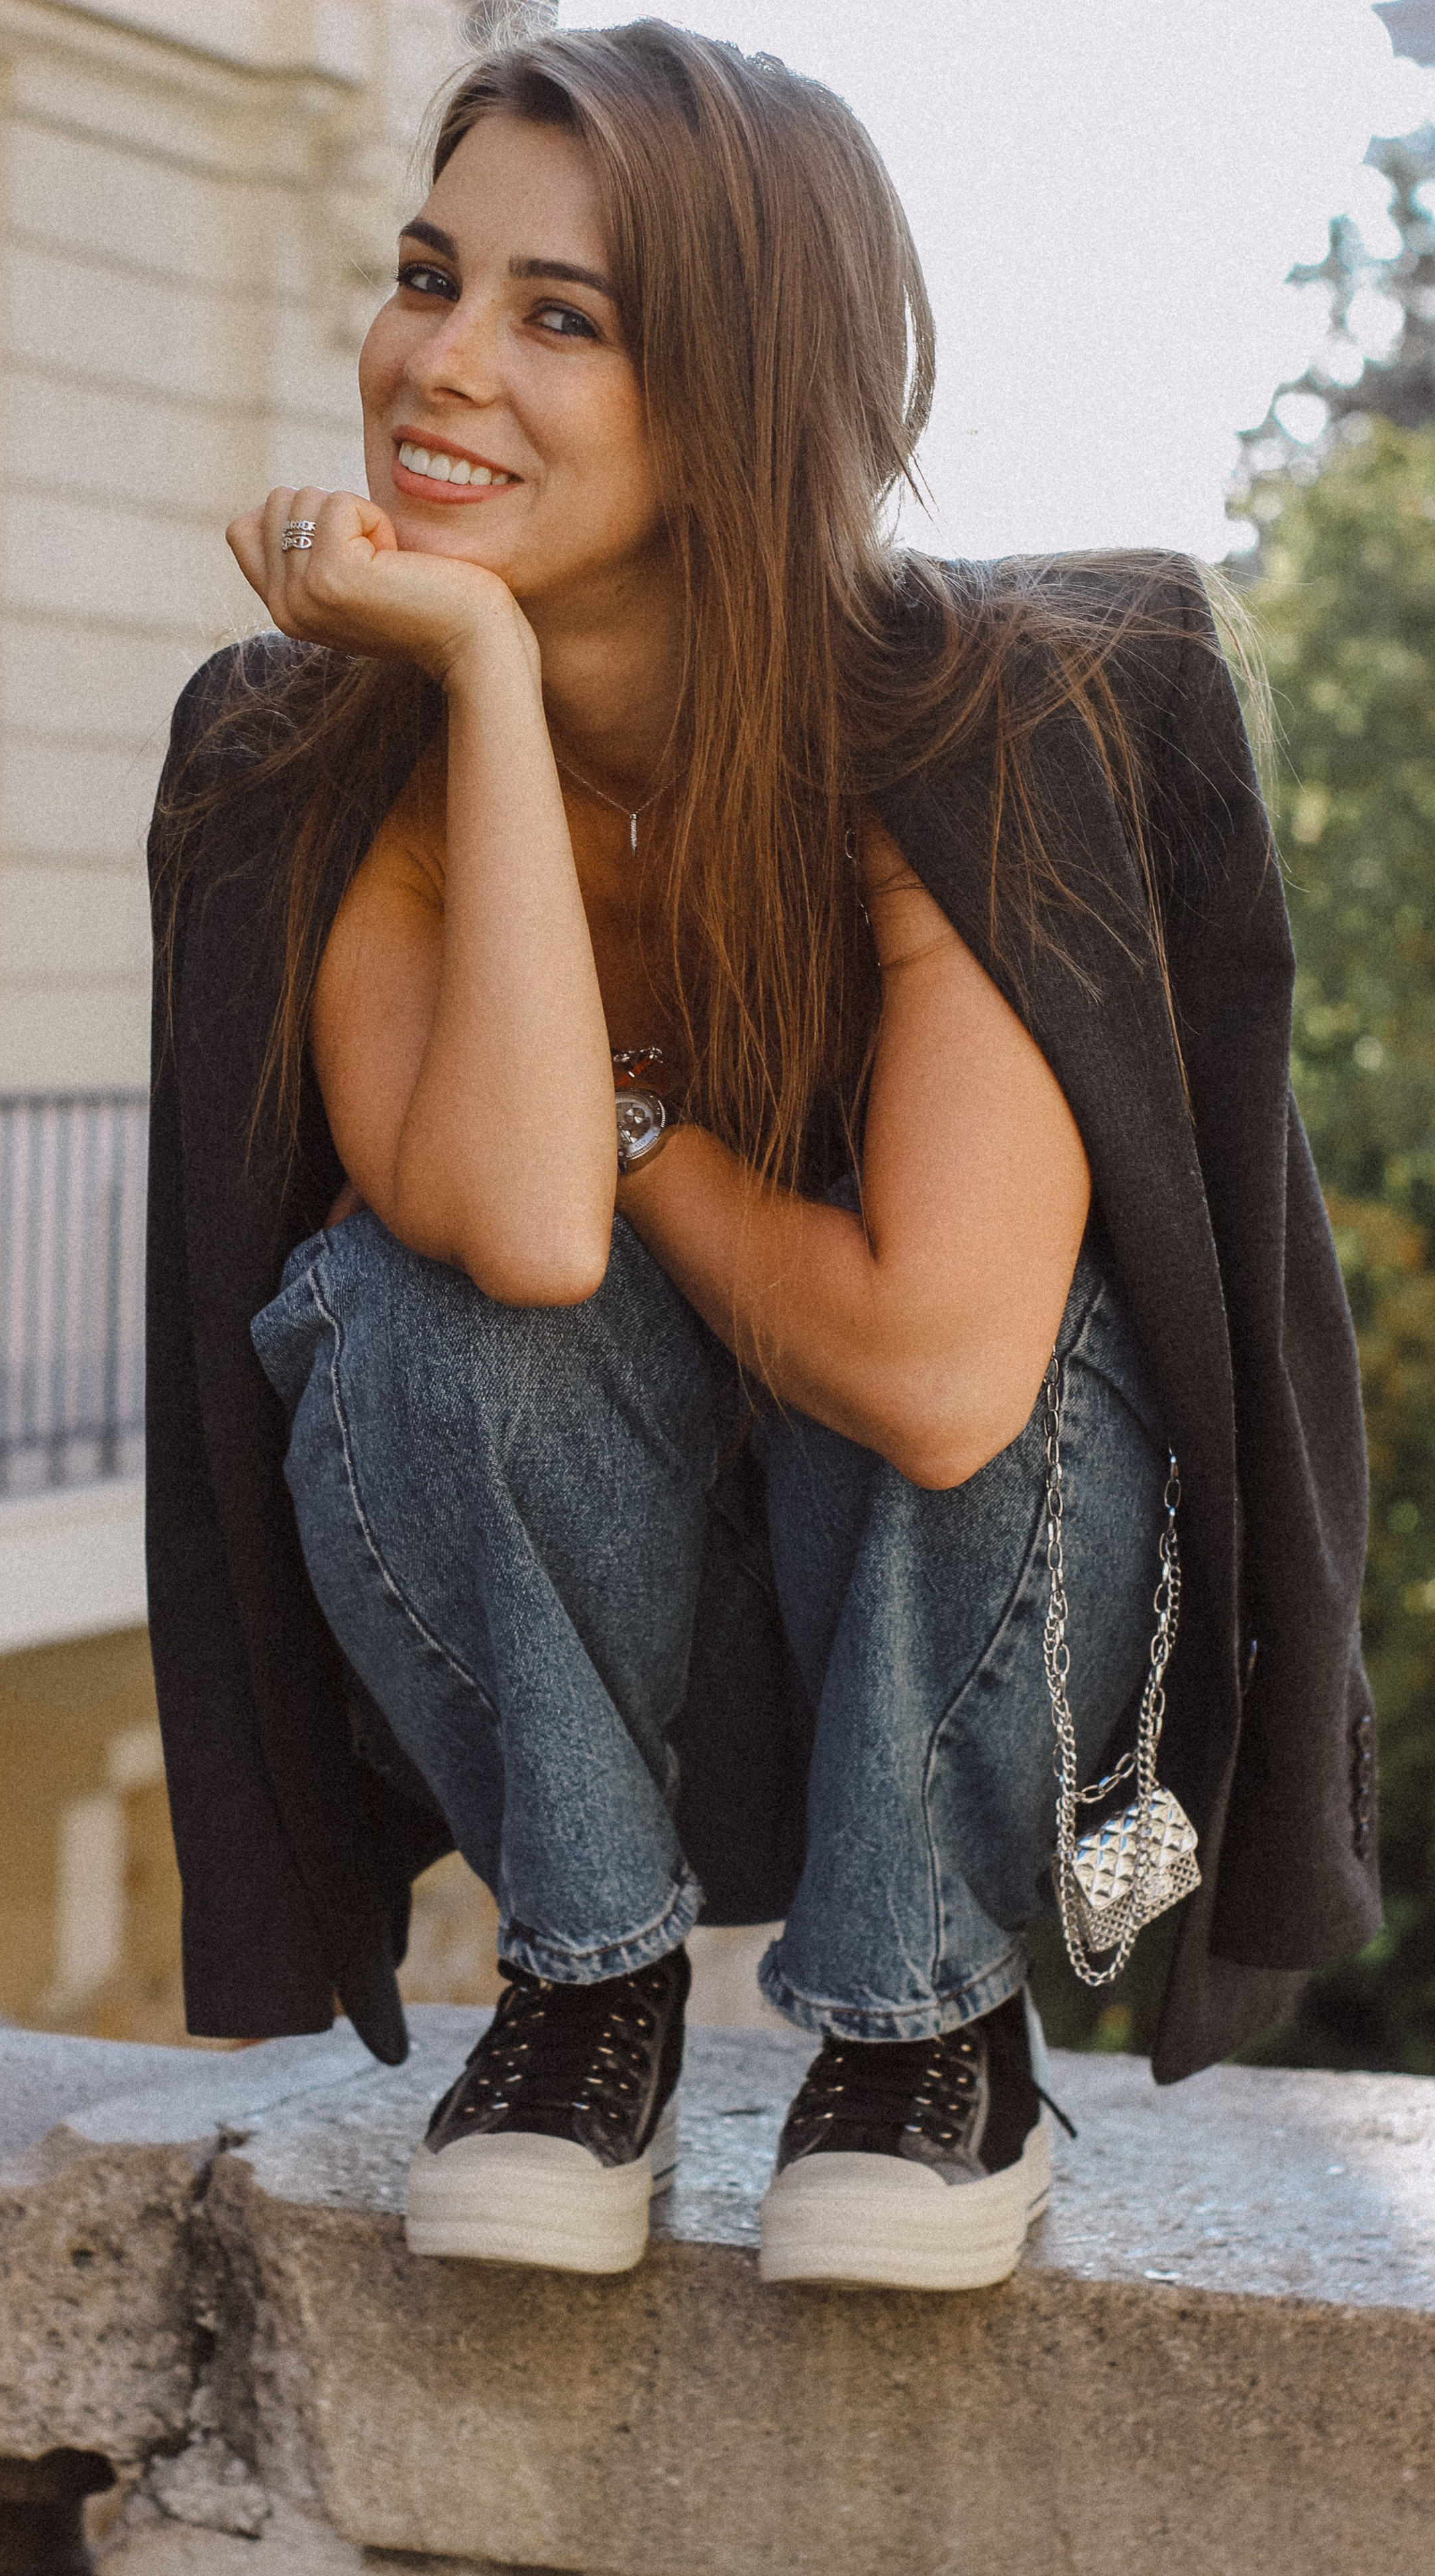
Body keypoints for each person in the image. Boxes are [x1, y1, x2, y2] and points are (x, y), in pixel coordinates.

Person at [146, 22, 1376, 2292]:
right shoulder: (324, 750)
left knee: (997, 1340)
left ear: (732, 396)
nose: (441, 361)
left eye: (559, 318)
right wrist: (486, 684)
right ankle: (587, 1989)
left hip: (960, 1654)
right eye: (431, 277)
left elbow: (932, 1370)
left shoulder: (981, 713)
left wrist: (643, 1120)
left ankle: (929, 2029)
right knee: (396, 1309)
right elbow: (511, 1245)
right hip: (594, 1677)